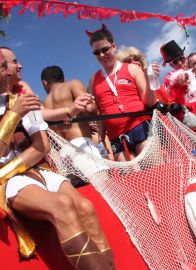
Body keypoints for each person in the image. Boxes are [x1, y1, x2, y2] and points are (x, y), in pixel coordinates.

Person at [0, 48, 115, 269]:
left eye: (7, 65)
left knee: (86, 207)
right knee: (62, 204)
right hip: (7, 181)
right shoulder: (19, 105)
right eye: (4, 66)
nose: (9, 70)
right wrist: (14, 114)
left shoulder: (22, 99)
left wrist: (69, 110)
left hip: (38, 169)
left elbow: (41, 146)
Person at [87, 24, 156, 161]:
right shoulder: (93, 80)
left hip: (140, 126)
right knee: (131, 180)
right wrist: (101, 140)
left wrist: (150, 80)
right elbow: (100, 114)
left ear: (114, 46)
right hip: (116, 137)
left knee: (155, 171)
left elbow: (149, 101)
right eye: (96, 52)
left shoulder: (132, 69)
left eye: (105, 49)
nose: (101, 54)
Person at [41, 65, 109, 186]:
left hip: (62, 153)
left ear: (44, 82)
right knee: (104, 185)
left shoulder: (44, 103)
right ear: (63, 78)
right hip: (81, 145)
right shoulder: (72, 84)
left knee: (81, 192)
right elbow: (90, 108)